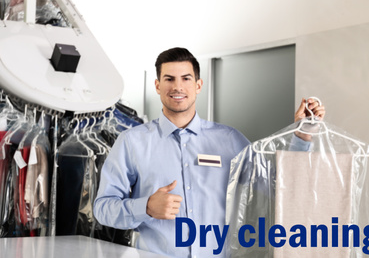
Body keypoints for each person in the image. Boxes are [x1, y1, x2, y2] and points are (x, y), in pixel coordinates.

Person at [93, 47, 325, 257]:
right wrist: (146, 207)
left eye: (186, 78)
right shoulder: (132, 142)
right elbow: (103, 209)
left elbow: (275, 185)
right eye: (169, 79)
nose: (177, 87)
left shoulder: (230, 140)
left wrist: (302, 135)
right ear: (157, 86)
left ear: (198, 85)